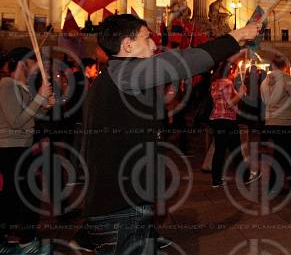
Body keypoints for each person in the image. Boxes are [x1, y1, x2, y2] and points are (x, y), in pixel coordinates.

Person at [81, 14, 260, 254]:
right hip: (120, 210)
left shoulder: (113, 78)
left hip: (119, 203)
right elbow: (183, 61)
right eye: (147, 38)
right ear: (127, 45)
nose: (155, 45)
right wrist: (238, 35)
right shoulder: (126, 73)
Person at [0, 47, 54, 253]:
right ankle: (23, 238)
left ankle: (22, 237)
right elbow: (16, 121)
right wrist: (39, 98)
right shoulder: (6, 84)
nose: (37, 69)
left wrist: (44, 104)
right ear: (22, 63)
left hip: (22, 148)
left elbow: (30, 117)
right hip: (10, 149)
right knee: (20, 195)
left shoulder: (20, 87)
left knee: (24, 194)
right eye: (34, 63)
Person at [209, 61, 260, 187]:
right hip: (226, 121)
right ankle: (246, 176)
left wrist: (241, 93)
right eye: (236, 71)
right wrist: (241, 93)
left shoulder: (215, 83)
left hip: (216, 120)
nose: (237, 73)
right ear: (230, 71)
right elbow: (229, 104)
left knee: (220, 151)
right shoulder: (227, 83)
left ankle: (216, 180)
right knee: (235, 150)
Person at [260, 57, 291, 194]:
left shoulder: (264, 82)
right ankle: (274, 185)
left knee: (283, 152)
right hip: (284, 121)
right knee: (281, 153)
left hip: (270, 121)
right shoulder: (288, 80)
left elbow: (263, 100)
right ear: (285, 66)